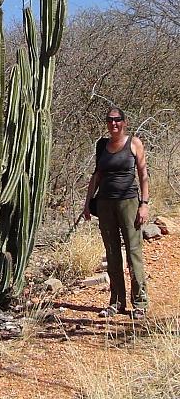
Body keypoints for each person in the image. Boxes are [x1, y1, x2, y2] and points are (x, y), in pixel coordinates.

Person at [83, 107, 149, 319]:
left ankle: (140, 302)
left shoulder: (134, 143)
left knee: (133, 252)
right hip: (105, 204)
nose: (114, 124)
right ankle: (116, 302)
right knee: (112, 253)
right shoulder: (101, 145)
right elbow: (97, 175)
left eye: (117, 120)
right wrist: (87, 203)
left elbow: (143, 173)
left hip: (128, 202)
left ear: (124, 122)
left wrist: (144, 204)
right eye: (110, 120)